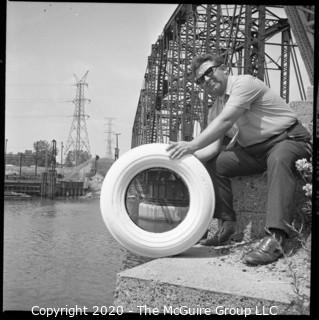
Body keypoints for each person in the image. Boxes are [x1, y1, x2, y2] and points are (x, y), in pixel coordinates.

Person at [166, 54, 312, 266]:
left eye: (209, 72)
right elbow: (212, 149)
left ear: (224, 69)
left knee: (280, 159)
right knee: (215, 163)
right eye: (200, 80)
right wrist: (182, 162)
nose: (206, 80)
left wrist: (191, 145)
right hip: (256, 152)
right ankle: (226, 225)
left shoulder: (244, 83)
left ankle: (276, 239)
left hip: (288, 139)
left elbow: (226, 121)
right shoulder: (215, 107)